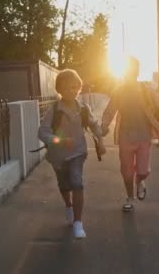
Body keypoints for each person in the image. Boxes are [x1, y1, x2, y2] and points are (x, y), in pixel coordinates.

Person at [101, 57, 159, 212]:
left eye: (134, 69)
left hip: (144, 136)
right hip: (125, 136)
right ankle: (129, 198)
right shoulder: (119, 91)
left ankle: (140, 181)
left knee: (142, 171)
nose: (131, 72)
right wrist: (103, 126)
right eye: (128, 69)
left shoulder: (145, 89)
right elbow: (110, 110)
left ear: (137, 71)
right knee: (126, 171)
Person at [38, 69, 106, 239]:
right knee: (64, 185)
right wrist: (58, 141)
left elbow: (93, 125)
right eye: (68, 87)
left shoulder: (83, 108)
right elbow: (42, 132)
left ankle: (78, 223)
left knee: (77, 182)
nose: (72, 90)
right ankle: (68, 206)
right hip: (58, 155)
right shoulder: (54, 109)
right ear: (59, 89)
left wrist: (101, 139)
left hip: (78, 152)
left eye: (76, 87)